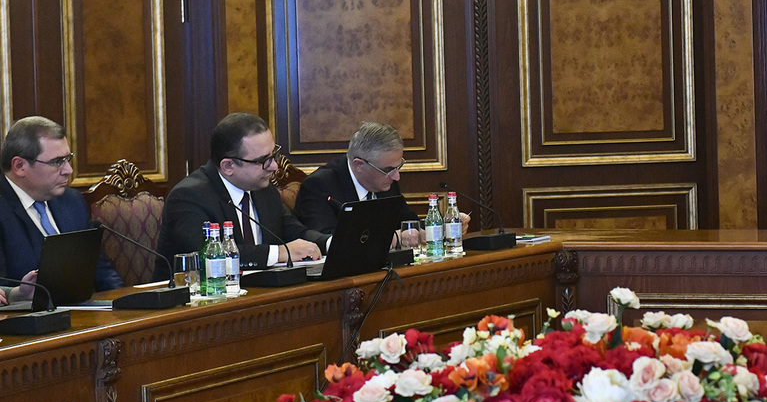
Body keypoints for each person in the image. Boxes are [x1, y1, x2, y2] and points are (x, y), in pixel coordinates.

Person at [158, 113, 322, 277]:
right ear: (228, 166)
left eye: (274, 155)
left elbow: (295, 233)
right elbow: (210, 257)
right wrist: (278, 253)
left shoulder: (264, 190)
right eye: (263, 160)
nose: (274, 166)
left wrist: (329, 243)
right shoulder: (188, 197)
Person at [0, 116, 124, 301]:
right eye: (56, 162)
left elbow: (100, 272)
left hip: (84, 313)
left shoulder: (72, 201)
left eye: (67, 159)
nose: (68, 170)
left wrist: (127, 304)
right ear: (19, 166)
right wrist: (18, 294)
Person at [295, 121, 468, 242]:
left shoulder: (386, 180)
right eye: (388, 170)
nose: (396, 176)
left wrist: (441, 228)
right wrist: (393, 239)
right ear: (359, 165)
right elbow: (326, 241)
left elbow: (409, 223)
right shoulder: (320, 186)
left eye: (398, 167)